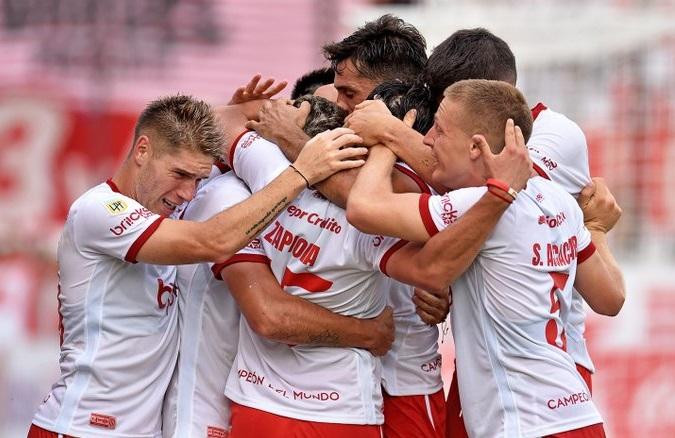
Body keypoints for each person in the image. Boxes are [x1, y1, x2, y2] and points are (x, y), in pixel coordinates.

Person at [28, 94, 367, 438]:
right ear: (142, 150)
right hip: (81, 429)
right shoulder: (99, 210)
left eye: (198, 180)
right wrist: (301, 172)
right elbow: (212, 241)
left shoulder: (164, 209)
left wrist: (257, 110)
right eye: (180, 174)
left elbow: (222, 121)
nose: (189, 193)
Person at [347, 79, 625, 437]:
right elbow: (609, 297)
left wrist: (389, 138)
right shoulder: (559, 202)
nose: (428, 140)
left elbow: (362, 207)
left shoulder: (480, 204)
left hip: (524, 425)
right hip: (579, 416)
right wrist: (598, 229)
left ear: (476, 147)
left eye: (439, 131)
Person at [162, 85, 395, 438]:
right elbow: (269, 315)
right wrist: (369, 332)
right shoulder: (229, 195)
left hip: (257, 404)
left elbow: (220, 119)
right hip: (221, 410)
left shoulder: (268, 176)